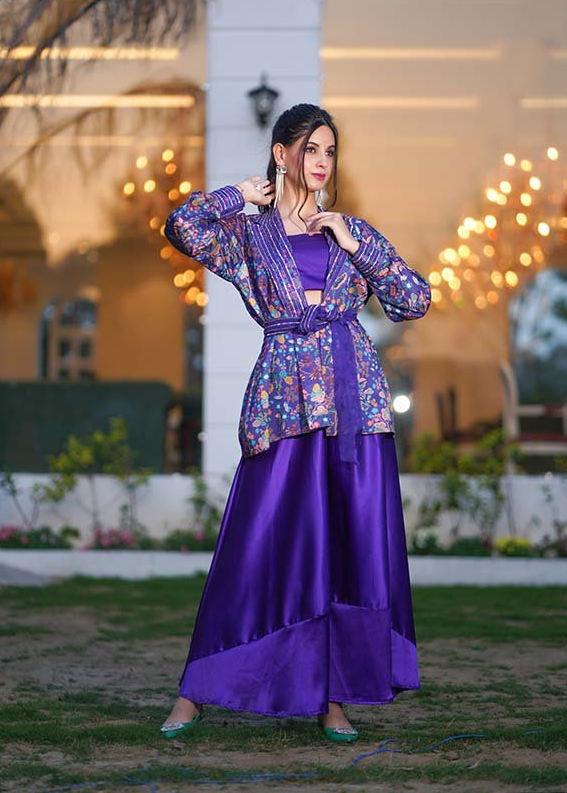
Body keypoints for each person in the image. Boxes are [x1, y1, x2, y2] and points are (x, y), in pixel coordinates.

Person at [160, 103, 431, 743]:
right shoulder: (248, 235)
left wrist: (357, 245)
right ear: (282, 154)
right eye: (311, 149)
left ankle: (333, 699)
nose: (322, 162)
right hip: (283, 404)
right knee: (253, 545)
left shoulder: (351, 232)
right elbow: (181, 226)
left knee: (346, 550)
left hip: (354, 408)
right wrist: (237, 195)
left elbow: (414, 299)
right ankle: (197, 689)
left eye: (330, 151)